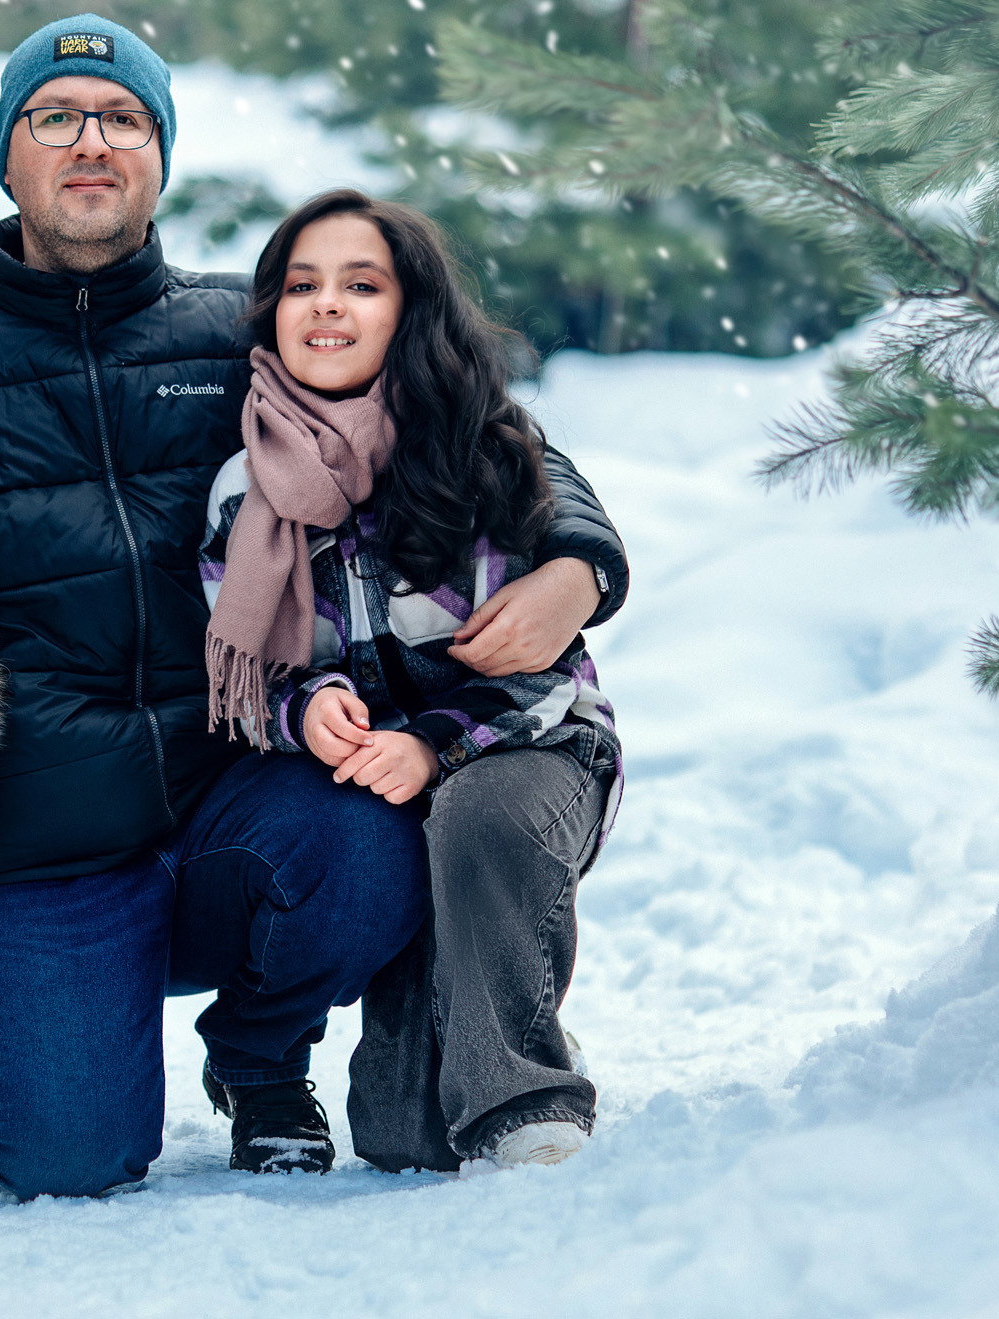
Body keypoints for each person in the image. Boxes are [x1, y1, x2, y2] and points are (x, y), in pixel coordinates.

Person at [0, 14, 629, 1195]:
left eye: (122, 120)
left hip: (235, 790)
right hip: (41, 836)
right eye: (54, 118)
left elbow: (466, 419)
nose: (90, 142)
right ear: (8, 155)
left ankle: (259, 1052)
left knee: (370, 846)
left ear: (160, 154)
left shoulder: (235, 334)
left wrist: (576, 560)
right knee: (66, 1153)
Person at [199, 189, 621, 1170]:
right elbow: (240, 671)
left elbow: (543, 672)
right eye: (301, 285)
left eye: (361, 284)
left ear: (408, 310)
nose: (327, 307)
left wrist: (430, 743)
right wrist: (305, 710)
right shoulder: (242, 486)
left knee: (479, 817)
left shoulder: (476, 453)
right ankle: (482, 1026)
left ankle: (524, 1096)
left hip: (525, 744)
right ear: (269, 314)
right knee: (403, 1135)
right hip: (378, 779)